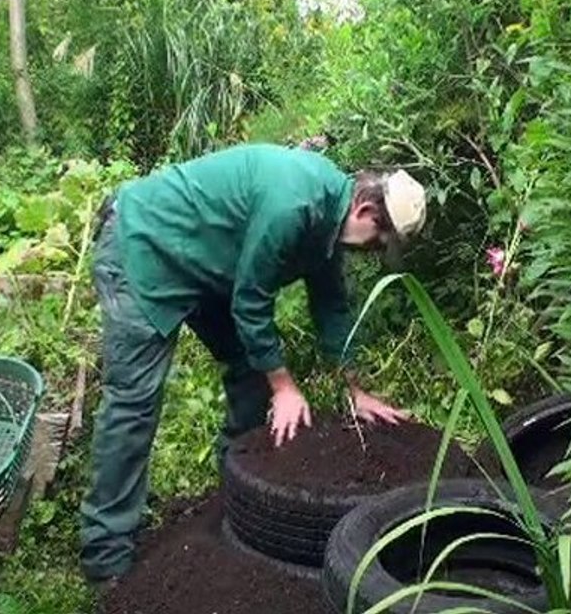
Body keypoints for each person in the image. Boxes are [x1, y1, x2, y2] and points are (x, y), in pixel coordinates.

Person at [79, 141, 427, 584]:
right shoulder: (294, 205)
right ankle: (105, 557)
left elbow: (332, 308)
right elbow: (250, 301)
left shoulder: (328, 219)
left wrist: (355, 389)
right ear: (364, 212)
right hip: (145, 248)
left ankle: (235, 496)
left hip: (206, 262)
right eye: (379, 242)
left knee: (251, 374)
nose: (373, 251)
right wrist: (286, 386)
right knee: (134, 404)